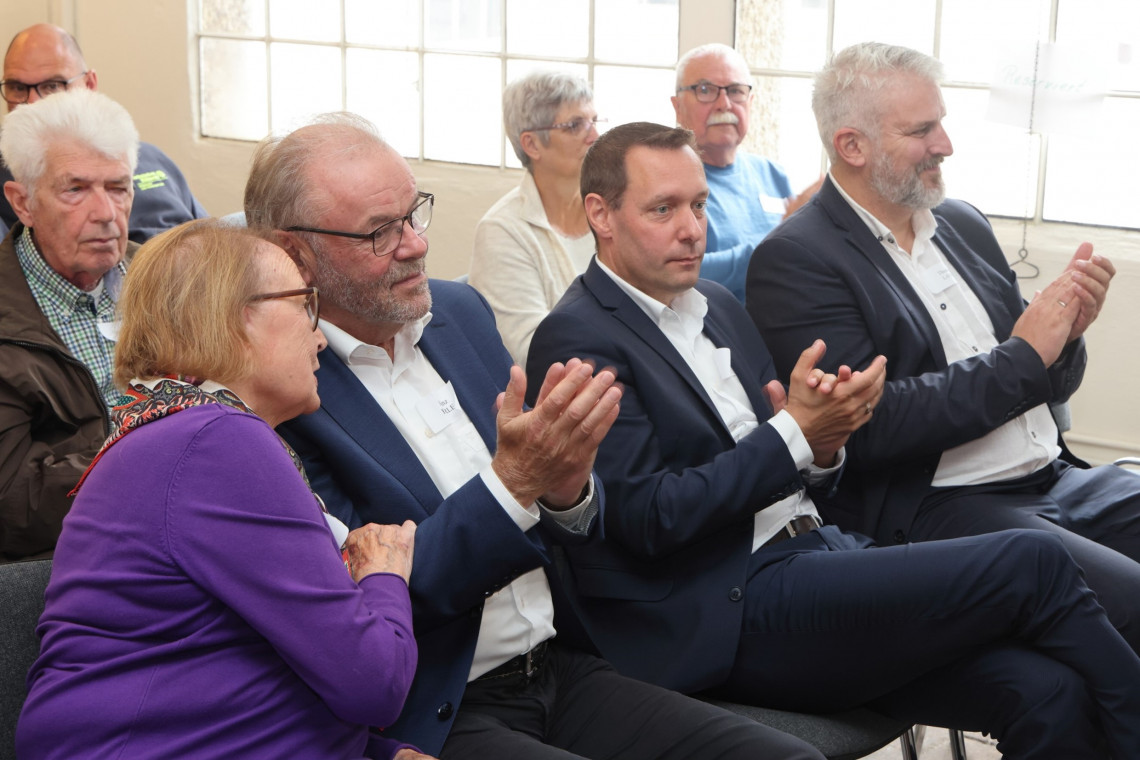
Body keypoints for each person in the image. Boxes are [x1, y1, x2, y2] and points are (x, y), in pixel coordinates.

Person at [526, 120, 1140, 759]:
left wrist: (823, 445)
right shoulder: (579, 337)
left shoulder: (715, 304)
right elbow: (647, 519)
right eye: (664, 209)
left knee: (1049, 691)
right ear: (601, 214)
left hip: (819, 556)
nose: (692, 229)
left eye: (700, 205)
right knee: (1032, 561)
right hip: (728, 603)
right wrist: (793, 434)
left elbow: (795, 467)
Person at [250, 113, 826, 760]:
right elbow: (376, 596)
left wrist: (566, 491)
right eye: (380, 232)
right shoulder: (288, 395)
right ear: (294, 251)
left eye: (414, 214)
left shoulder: (457, 315)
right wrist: (515, 483)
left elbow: (575, 523)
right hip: (439, 704)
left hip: (561, 663)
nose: (415, 244)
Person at [746, 42, 1140, 651]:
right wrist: (1026, 353)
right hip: (944, 505)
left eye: (942, 123)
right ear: (852, 146)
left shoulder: (962, 223)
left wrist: (1065, 337)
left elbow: (1045, 381)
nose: (946, 144)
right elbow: (872, 426)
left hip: (1052, 475)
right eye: (921, 130)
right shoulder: (796, 258)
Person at [16, 220, 425, 760]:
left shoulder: (184, 431)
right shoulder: (216, 442)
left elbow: (241, 668)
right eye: (305, 305)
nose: (321, 336)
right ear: (233, 319)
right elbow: (374, 684)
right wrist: (384, 574)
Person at [0, 88, 138, 562]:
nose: (105, 214)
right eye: (75, 189)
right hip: (67, 562)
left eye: (118, 188)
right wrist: (154, 452)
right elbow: (12, 500)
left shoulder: (170, 283)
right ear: (22, 203)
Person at [0, 23, 208, 242]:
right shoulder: (10, 179)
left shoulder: (151, 157)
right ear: (21, 202)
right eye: (17, 88)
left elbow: (215, 242)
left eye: (53, 86)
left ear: (89, 85)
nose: (33, 103)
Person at [469, 72, 602, 364]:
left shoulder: (613, 209)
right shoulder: (502, 231)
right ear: (531, 144)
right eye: (575, 125)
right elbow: (533, 351)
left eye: (594, 121)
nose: (595, 136)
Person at [672, 43, 819, 303]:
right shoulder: (666, 182)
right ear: (678, 107)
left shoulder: (773, 174)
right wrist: (783, 240)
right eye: (705, 90)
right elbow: (680, 271)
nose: (724, 104)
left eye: (735, 91)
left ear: (750, 102)